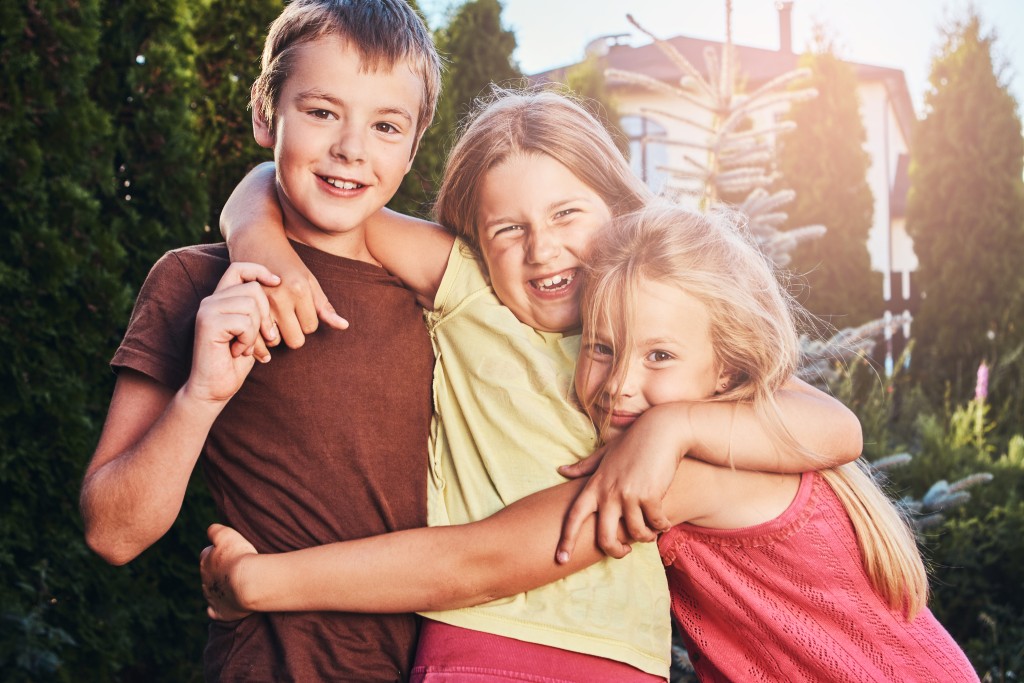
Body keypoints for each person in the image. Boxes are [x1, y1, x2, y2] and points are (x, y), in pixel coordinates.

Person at [219, 88, 863, 680]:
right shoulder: (470, 289)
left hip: (626, 661)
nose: (542, 248)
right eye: (510, 229)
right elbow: (296, 187)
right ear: (475, 239)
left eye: (567, 215)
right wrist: (255, 238)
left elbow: (835, 427)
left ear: (619, 211)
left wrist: (675, 425)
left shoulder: (664, 342)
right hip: (486, 651)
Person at [203, 203, 979, 683]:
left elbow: (479, 557)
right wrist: (251, 221)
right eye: (601, 348)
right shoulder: (748, 425)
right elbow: (284, 185)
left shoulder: (697, 472)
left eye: (661, 358)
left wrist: (264, 583)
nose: (619, 385)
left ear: (728, 370)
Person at [78, 1, 442, 680]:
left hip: (440, 664)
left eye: (385, 125)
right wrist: (199, 397)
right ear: (264, 114)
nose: (351, 149)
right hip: (270, 665)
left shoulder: (438, 294)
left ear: (414, 146)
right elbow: (112, 532)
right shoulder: (194, 280)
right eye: (322, 112)